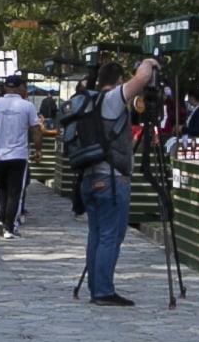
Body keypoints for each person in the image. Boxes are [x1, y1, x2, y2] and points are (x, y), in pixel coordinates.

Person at [67, 51, 159, 302]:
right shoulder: (112, 99)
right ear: (118, 80)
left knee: (97, 234)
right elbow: (142, 78)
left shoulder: (91, 102)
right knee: (110, 235)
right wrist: (149, 62)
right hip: (110, 178)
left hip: (89, 176)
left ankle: (96, 287)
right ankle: (104, 291)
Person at [0, 74, 38, 235]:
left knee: (1, 189)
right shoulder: (28, 106)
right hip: (19, 154)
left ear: (5, 87)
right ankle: (10, 227)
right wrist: (38, 149)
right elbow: (35, 129)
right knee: (15, 192)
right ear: (20, 87)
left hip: (0, 154)